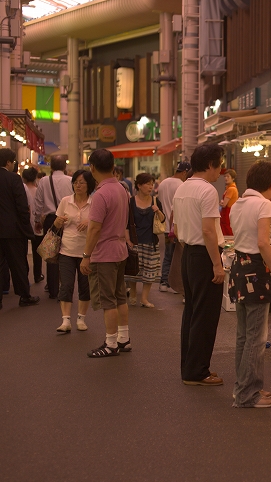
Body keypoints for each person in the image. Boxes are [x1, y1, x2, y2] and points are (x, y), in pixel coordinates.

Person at [228, 160, 271, 408]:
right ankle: (248, 395)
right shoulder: (263, 204)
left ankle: (243, 388)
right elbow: (263, 242)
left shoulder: (238, 203)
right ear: (270, 185)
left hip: (239, 269)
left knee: (244, 335)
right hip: (256, 272)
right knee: (256, 338)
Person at [173, 144, 225, 386]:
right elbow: (208, 231)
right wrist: (217, 264)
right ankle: (198, 371)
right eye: (220, 164)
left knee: (192, 313)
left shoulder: (182, 189)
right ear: (211, 164)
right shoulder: (207, 191)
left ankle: (191, 367)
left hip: (187, 254)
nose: (221, 170)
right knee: (205, 315)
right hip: (203, 256)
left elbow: (176, 227)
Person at [79, 149, 131, 358]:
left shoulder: (100, 194)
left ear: (92, 168)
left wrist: (86, 255)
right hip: (120, 250)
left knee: (107, 300)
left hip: (105, 253)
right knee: (120, 297)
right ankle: (123, 338)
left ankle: (110, 343)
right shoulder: (121, 189)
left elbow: (94, 228)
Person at [0, 148, 40, 310]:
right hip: (12, 230)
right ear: (8, 162)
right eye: (13, 162)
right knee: (17, 263)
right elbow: (21, 206)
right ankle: (24, 296)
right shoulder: (14, 179)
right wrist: (25, 226)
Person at [54, 170, 95, 333]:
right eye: (75, 182)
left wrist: (89, 222)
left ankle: (81, 318)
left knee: (85, 287)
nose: (77, 185)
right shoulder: (65, 201)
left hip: (86, 251)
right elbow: (57, 225)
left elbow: (100, 224)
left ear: (89, 185)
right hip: (66, 250)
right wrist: (58, 222)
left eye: (81, 182)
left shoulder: (94, 202)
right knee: (66, 285)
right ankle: (65, 321)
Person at [33, 156, 73, 299]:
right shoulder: (70, 180)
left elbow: (38, 202)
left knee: (51, 252)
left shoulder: (43, 181)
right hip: (68, 219)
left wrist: (37, 220)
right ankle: (66, 286)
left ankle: (53, 288)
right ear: (64, 167)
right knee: (66, 252)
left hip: (50, 219)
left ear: (51, 167)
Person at [125, 173, 165, 308]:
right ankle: (133, 292)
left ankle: (144, 299)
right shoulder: (130, 202)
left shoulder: (155, 201)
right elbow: (126, 223)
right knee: (134, 270)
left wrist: (157, 210)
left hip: (151, 241)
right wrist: (128, 240)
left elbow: (163, 219)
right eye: (147, 184)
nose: (150, 187)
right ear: (139, 185)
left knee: (150, 272)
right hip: (135, 241)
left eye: (152, 184)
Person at [156, 161, 190, 293]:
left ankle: (163, 282)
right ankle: (171, 282)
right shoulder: (182, 185)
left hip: (164, 225)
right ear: (184, 172)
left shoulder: (163, 183)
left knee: (167, 255)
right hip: (175, 225)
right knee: (176, 257)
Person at [22, 167, 44, 284]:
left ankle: (25, 277)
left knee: (23, 253)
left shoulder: (21, 190)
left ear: (24, 178)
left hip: (24, 225)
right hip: (37, 224)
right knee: (37, 253)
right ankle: (37, 275)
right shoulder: (38, 191)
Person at [219, 168, 238, 236]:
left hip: (227, 213)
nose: (226, 178)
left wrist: (220, 202)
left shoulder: (231, 189)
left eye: (228, 176)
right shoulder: (230, 188)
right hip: (228, 212)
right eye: (225, 176)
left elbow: (224, 204)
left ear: (233, 178)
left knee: (227, 231)